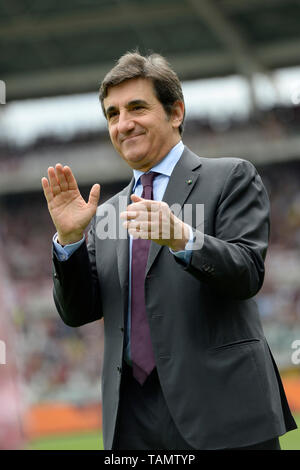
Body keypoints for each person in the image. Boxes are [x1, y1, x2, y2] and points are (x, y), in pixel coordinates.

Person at [42, 51, 297, 450]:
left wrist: (183, 238)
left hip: (222, 410)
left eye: (137, 107)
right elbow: (78, 312)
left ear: (175, 112)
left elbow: (247, 272)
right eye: (113, 114)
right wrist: (70, 242)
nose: (123, 124)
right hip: (132, 422)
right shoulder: (107, 212)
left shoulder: (230, 176)